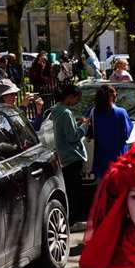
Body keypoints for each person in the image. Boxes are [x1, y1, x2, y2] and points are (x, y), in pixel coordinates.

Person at [47, 83, 88, 218]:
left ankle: (71, 216)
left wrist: (76, 124)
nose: (76, 102)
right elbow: (72, 137)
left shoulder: (56, 110)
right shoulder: (65, 112)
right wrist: (84, 126)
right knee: (75, 191)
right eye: (76, 99)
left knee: (70, 189)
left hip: (64, 157)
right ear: (70, 97)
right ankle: (74, 218)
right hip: (72, 156)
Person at [87, 83, 133, 178]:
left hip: (100, 156)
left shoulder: (93, 112)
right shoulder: (121, 112)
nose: (116, 96)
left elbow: (90, 132)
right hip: (118, 156)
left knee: (104, 185)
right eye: (116, 94)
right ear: (111, 96)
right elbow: (126, 134)